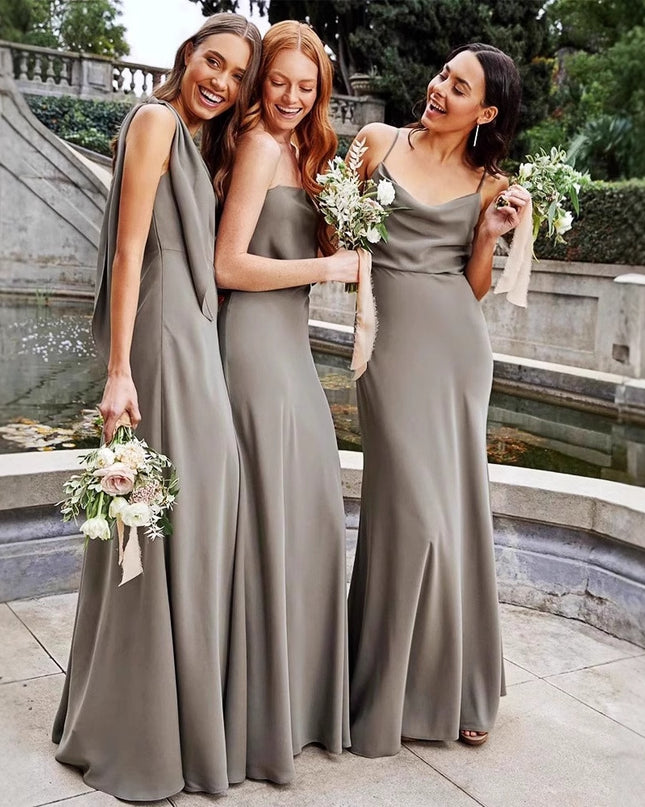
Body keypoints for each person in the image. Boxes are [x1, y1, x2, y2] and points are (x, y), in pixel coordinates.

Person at [52, 13, 261, 800]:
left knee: (182, 514)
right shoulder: (152, 120)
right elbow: (129, 247)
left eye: (237, 74)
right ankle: (135, 729)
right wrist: (117, 372)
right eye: (214, 61)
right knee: (159, 516)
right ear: (187, 56)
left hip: (194, 337)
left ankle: (168, 714)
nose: (222, 80)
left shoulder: (201, 139)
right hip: (160, 344)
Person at [346, 43, 530, 756]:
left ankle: (463, 687)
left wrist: (487, 235)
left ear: (484, 112)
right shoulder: (374, 141)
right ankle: (384, 686)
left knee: (453, 514)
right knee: (411, 515)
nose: (439, 88)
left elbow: (473, 285)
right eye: (441, 75)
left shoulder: (489, 184)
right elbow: (332, 234)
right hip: (386, 344)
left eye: (459, 87)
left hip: (455, 347)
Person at [214, 20, 358, 785]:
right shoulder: (260, 148)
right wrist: (329, 263)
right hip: (253, 349)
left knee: (305, 515)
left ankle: (292, 703)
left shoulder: (310, 153)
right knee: (270, 515)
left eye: (307, 87)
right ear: (258, 80)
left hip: (292, 350)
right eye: (279, 82)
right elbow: (228, 264)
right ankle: (256, 712)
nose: (292, 98)